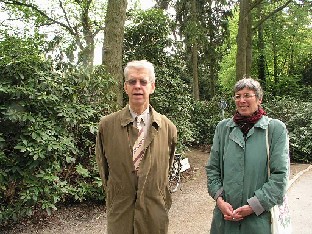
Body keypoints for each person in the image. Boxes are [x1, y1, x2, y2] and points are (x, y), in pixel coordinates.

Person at [95, 60, 177, 234]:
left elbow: (165, 171)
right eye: (132, 82)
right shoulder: (107, 126)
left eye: (143, 82)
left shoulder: (168, 127)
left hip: (154, 214)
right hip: (120, 214)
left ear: (152, 87)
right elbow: (104, 171)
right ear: (125, 87)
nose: (137, 86)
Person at [206, 77, 290, 233]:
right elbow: (212, 169)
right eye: (238, 96)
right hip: (225, 220)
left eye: (247, 95)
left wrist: (254, 206)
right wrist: (220, 201)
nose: (241, 100)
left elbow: (280, 176)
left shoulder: (275, 129)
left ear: (259, 99)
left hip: (259, 221)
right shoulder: (223, 128)